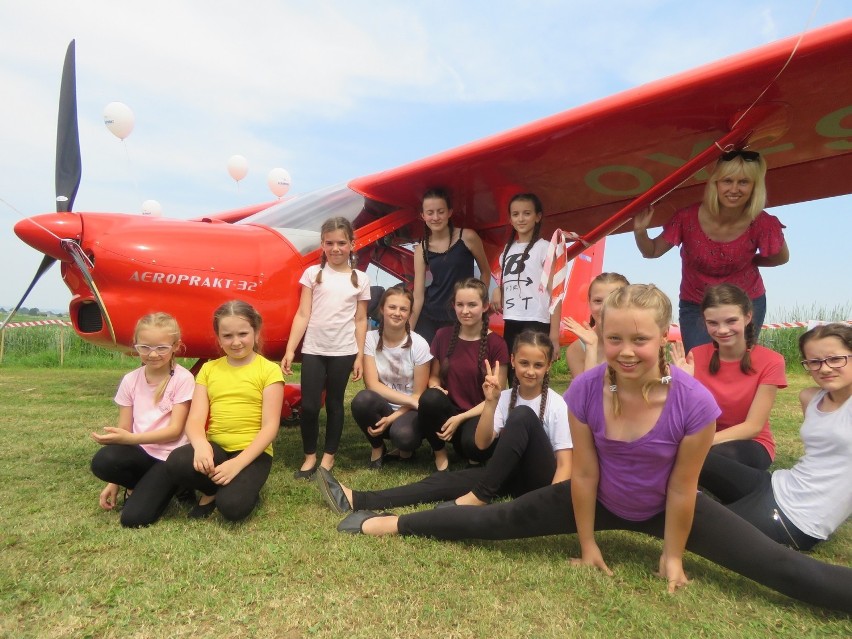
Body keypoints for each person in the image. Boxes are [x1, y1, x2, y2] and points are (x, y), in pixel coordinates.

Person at [335, 285, 852, 613]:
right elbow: (582, 474)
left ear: (664, 339)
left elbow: (683, 486)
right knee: (496, 522)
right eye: (614, 339)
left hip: (665, 506)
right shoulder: (585, 389)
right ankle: (391, 522)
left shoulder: (693, 401)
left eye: (641, 340)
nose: (627, 352)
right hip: (599, 495)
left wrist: (673, 555)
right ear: (601, 336)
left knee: (781, 569)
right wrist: (587, 545)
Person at [316, 331, 571, 513]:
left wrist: (549, 504)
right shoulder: (504, 397)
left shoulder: (557, 404)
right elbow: (482, 445)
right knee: (440, 482)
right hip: (506, 474)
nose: (530, 371)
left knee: (522, 416)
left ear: (548, 366)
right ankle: (357, 499)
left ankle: (480, 496)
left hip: (540, 481)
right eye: (524, 363)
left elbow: (564, 464)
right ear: (513, 362)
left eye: (538, 365)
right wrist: (491, 403)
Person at [699, 323, 852, 552]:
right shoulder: (811, 397)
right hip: (775, 485)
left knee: (691, 521)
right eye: (814, 362)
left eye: (835, 359)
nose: (825, 368)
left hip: (796, 519)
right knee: (693, 456)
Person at [633, 150, 789, 352]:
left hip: (745, 302)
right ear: (715, 183)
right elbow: (651, 251)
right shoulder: (686, 218)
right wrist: (639, 230)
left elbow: (781, 258)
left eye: (743, 182)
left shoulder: (763, 223)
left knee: (738, 364)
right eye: (727, 181)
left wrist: (752, 260)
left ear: (755, 187)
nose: (734, 189)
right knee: (699, 362)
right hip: (696, 304)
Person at [165, 301, 284, 521]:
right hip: (216, 448)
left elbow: (270, 427)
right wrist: (201, 446)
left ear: (256, 333)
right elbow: (195, 420)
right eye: (227, 336)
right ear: (218, 338)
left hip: (252, 453)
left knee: (232, 507)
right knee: (177, 461)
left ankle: (238, 489)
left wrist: (237, 464)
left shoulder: (269, 370)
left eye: (243, 333)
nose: (236, 342)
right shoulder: (209, 369)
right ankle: (210, 491)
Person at [282, 217, 371, 477]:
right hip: (314, 350)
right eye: (330, 243)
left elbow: (361, 319)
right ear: (322, 244)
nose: (336, 249)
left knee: (334, 404)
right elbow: (302, 314)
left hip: (343, 351)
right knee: (309, 406)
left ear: (352, 244)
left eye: (341, 243)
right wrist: (290, 349)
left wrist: (359, 356)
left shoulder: (360, 279)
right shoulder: (312, 274)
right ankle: (310, 456)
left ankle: (328, 458)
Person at [90, 312, 195, 528]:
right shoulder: (130, 380)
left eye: (162, 348)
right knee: (103, 461)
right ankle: (140, 483)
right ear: (135, 346)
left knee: (133, 519)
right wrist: (115, 482)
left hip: (169, 457)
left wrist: (130, 439)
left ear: (176, 346)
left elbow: (175, 431)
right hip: (140, 453)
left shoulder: (183, 379)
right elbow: (124, 428)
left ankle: (179, 485)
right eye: (144, 347)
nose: (153, 354)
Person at [672, 284, 786, 470]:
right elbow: (683, 415)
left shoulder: (772, 361)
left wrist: (699, 443)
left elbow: (753, 427)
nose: (722, 330)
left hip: (750, 442)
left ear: (747, 317)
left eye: (731, 321)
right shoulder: (696, 355)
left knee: (712, 457)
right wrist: (682, 383)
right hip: (703, 436)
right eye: (713, 323)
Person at [418, 278, 509, 470]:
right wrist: (435, 387)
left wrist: (460, 418)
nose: (465, 311)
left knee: (476, 449)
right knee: (429, 398)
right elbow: (434, 376)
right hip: (448, 410)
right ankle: (440, 454)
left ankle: (467, 448)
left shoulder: (497, 344)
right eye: (460, 304)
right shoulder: (442, 335)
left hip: (476, 414)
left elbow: (497, 397)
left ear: (485, 307)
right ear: (453, 305)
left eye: (472, 305)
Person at [351, 285, 432, 469]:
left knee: (404, 437)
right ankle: (377, 447)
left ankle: (405, 446)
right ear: (382, 309)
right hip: (386, 406)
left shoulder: (419, 344)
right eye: (392, 307)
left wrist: (395, 417)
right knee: (362, 400)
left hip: (409, 410)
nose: (397, 313)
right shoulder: (370, 339)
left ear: (410, 313)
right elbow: (372, 385)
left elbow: (418, 395)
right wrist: (409, 403)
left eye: (403, 309)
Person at [490, 193, 562, 381]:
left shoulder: (545, 248)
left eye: (527, 213)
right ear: (510, 218)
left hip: (536, 321)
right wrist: (498, 289)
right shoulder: (506, 251)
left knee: (533, 377)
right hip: (511, 320)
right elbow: (511, 281)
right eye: (515, 214)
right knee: (513, 376)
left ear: (538, 216)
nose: (520, 218)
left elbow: (556, 292)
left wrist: (554, 336)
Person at [411, 188, 490, 343]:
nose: (435, 217)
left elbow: (485, 273)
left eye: (440, 211)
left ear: (449, 212)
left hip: (460, 312)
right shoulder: (421, 248)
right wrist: (408, 331)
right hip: (430, 313)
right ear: (423, 216)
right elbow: (418, 295)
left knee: (451, 364)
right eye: (430, 212)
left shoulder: (468, 237)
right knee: (426, 363)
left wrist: (478, 305)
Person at [563, 272, 630, 378]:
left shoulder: (643, 342)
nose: (605, 307)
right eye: (598, 301)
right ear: (589, 303)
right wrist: (591, 348)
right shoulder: (577, 350)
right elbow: (585, 393)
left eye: (614, 300)